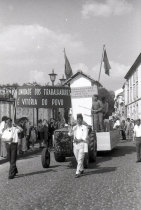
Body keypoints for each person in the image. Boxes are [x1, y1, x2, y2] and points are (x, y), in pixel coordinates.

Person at [68, 113, 88, 178]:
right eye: (78, 119)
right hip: (75, 145)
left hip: (82, 145)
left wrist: (78, 140)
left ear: (82, 120)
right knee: (77, 158)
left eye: (80, 119)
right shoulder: (75, 127)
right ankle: (81, 169)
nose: (79, 121)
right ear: (76, 120)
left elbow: (84, 137)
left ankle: (77, 172)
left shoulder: (85, 127)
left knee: (80, 159)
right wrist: (70, 129)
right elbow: (69, 134)